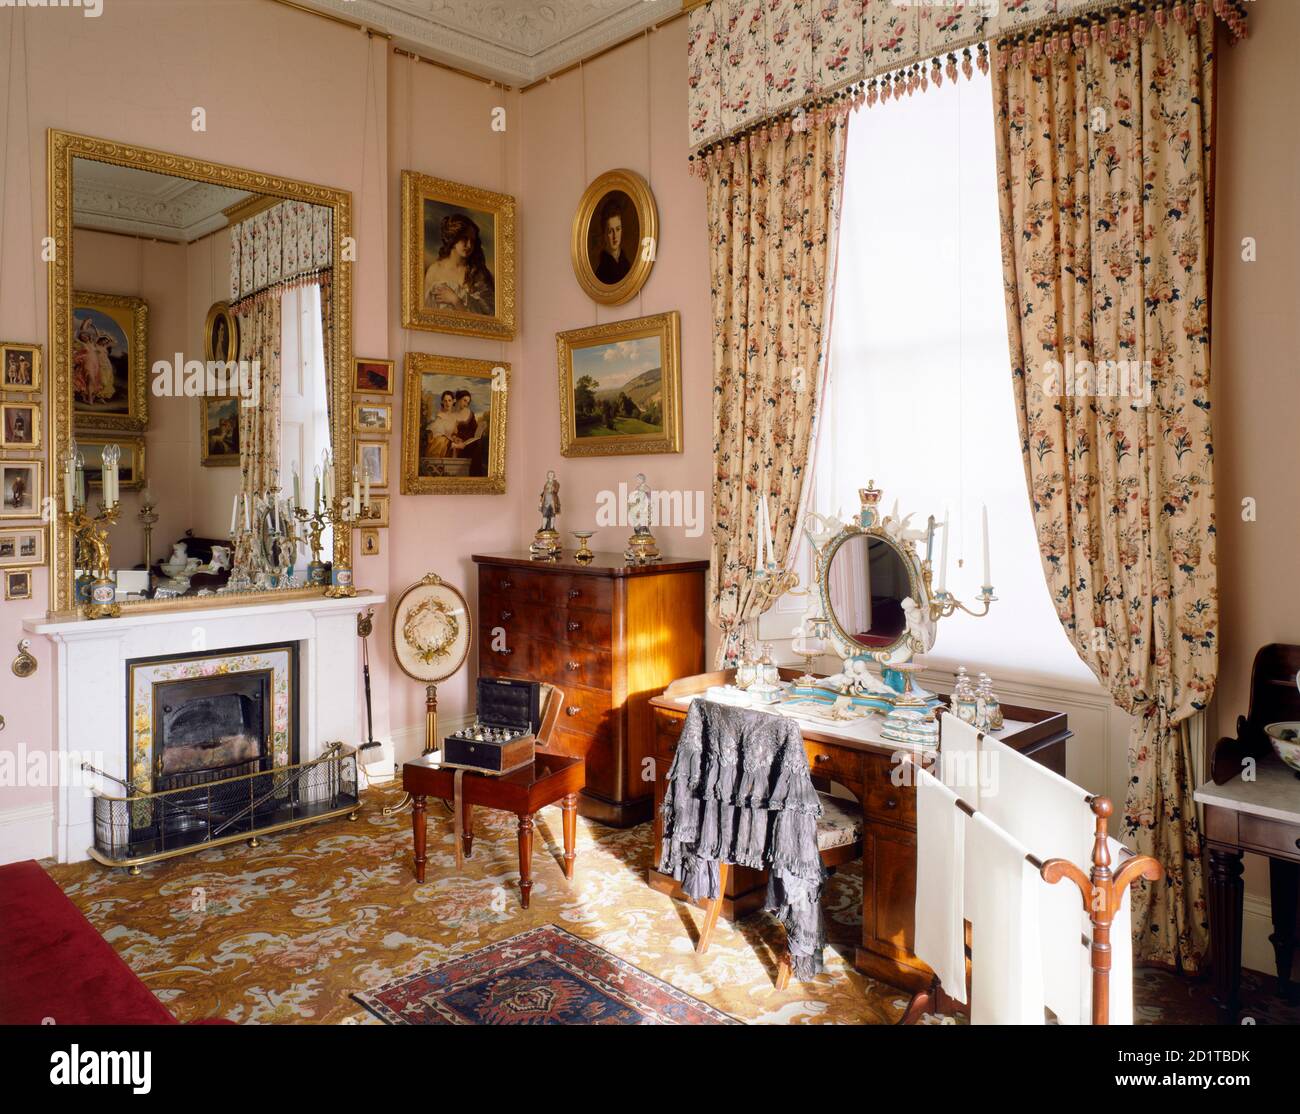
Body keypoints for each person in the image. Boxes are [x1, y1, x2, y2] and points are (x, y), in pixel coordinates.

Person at [423, 213, 495, 316]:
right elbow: (426, 312)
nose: (469, 245)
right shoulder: (434, 270)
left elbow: (487, 317)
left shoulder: (478, 273)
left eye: (472, 241)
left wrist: (456, 300)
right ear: (453, 238)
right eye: (465, 239)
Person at [594, 198, 631, 285]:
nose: (615, 236)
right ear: (604, 234)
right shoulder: (601, 272)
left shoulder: (626, 264)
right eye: (610, 231)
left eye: (618, 229)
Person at [424, 390, 458, 458]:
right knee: (441, 440)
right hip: (439, 445)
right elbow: (436, 435)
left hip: (449, 444)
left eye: (449, 400)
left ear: (453, 401)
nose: (447, 403)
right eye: (445, 401)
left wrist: (454, 438)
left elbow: (454, 432)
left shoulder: (454, 418)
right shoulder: (440, 416)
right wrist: (451, 441)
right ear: (442, 402)